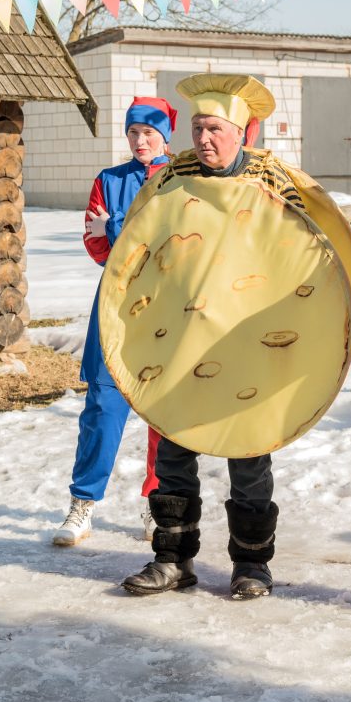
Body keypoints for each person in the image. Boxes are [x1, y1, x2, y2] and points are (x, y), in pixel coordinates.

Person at [119, 73, 305, 599]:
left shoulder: (273, 182)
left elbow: (304, 256)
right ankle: (172, 559)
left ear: (240, 132)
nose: (203, 139)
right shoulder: (171, 179)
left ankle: (252, 566)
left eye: (215, 129)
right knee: (174, 452)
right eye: (198, 128)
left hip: (248, 341)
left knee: (248, 454)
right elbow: (141, 247)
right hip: (180, 338)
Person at [53, 97, 177, 546]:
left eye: (149, 132)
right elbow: (97, 246)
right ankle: (83, 504)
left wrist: (119, 226)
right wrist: (119, 236)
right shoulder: (108, 180)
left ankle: (156, 499)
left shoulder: (182, 181)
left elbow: (173, 244)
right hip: (117, 304)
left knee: (162, 410)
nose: (140, 140)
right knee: (104, 404)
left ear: (166, 135)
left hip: (170, 307)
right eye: (132, 132)